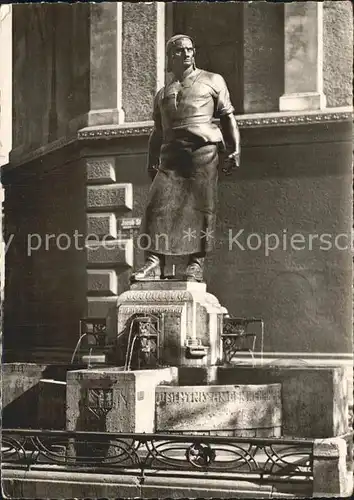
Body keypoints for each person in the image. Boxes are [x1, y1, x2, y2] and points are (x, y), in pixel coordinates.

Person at [131, 34, 241, 283]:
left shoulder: (213, 80)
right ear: (170, 57)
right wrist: (151, 159)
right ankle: (153, 262)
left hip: (202, 150)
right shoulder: (163, 93)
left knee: (201, 206)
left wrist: (235, 148)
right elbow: (157, 131)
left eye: (190, 49)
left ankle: (195, 264)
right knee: (155, 207)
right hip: (170, 156)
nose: (187, 54)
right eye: (180, 51)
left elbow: (227, 116)